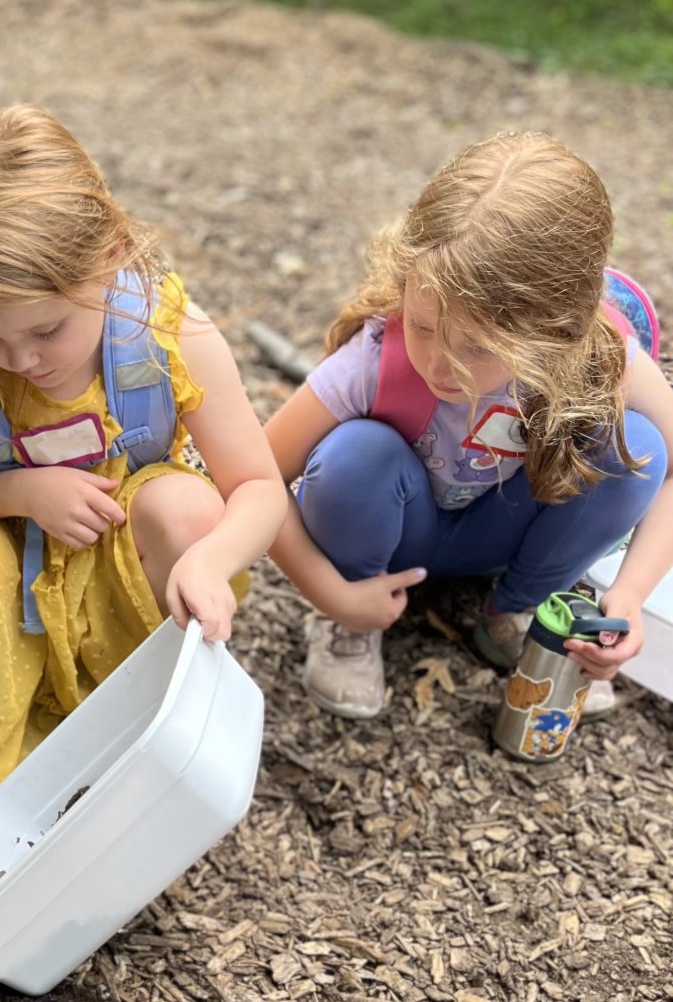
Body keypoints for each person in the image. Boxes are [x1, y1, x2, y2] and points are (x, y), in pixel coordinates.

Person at [0, 105, 287, 793]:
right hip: (2, 570)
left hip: (115, 562)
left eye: (46, 330)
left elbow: (260, 490)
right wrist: (22, 492)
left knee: (188, 510)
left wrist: (211, 560)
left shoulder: (165, 333)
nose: (19, 359)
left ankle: (136, 682)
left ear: (111, 254)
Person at [264, 132, 673, 720]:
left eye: (478, 348)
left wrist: (628, 598)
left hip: (505, 539)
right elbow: (254, 471)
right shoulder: (378, 356)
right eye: (425, 326)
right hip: (397, 531)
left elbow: (666, 472)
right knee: (358, 456)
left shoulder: (599, 358)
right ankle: (351, 625)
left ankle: (515, 611)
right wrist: (330, 592)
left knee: (638, 447)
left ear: (559, 330)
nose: (437, 364)